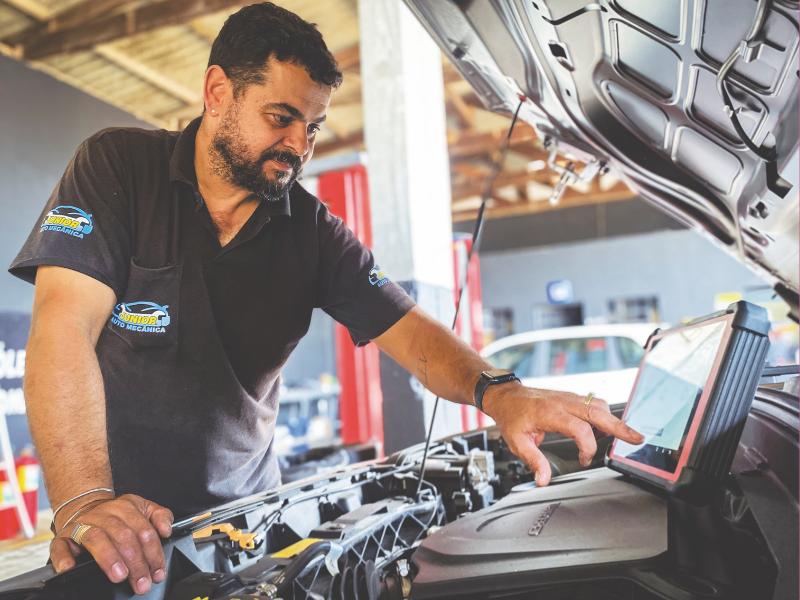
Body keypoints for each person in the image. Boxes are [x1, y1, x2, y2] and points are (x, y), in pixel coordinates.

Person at [9, 2, 643, 596]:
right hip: (116, 529)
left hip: (243, 532)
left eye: (312, 127)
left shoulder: (311, 231)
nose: (299, 145)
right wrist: (84, 502)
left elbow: (410, 331)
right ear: (218, 93)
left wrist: (501, 393)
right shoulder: (117, 168)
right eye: (280, 118)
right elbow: (62, 332)